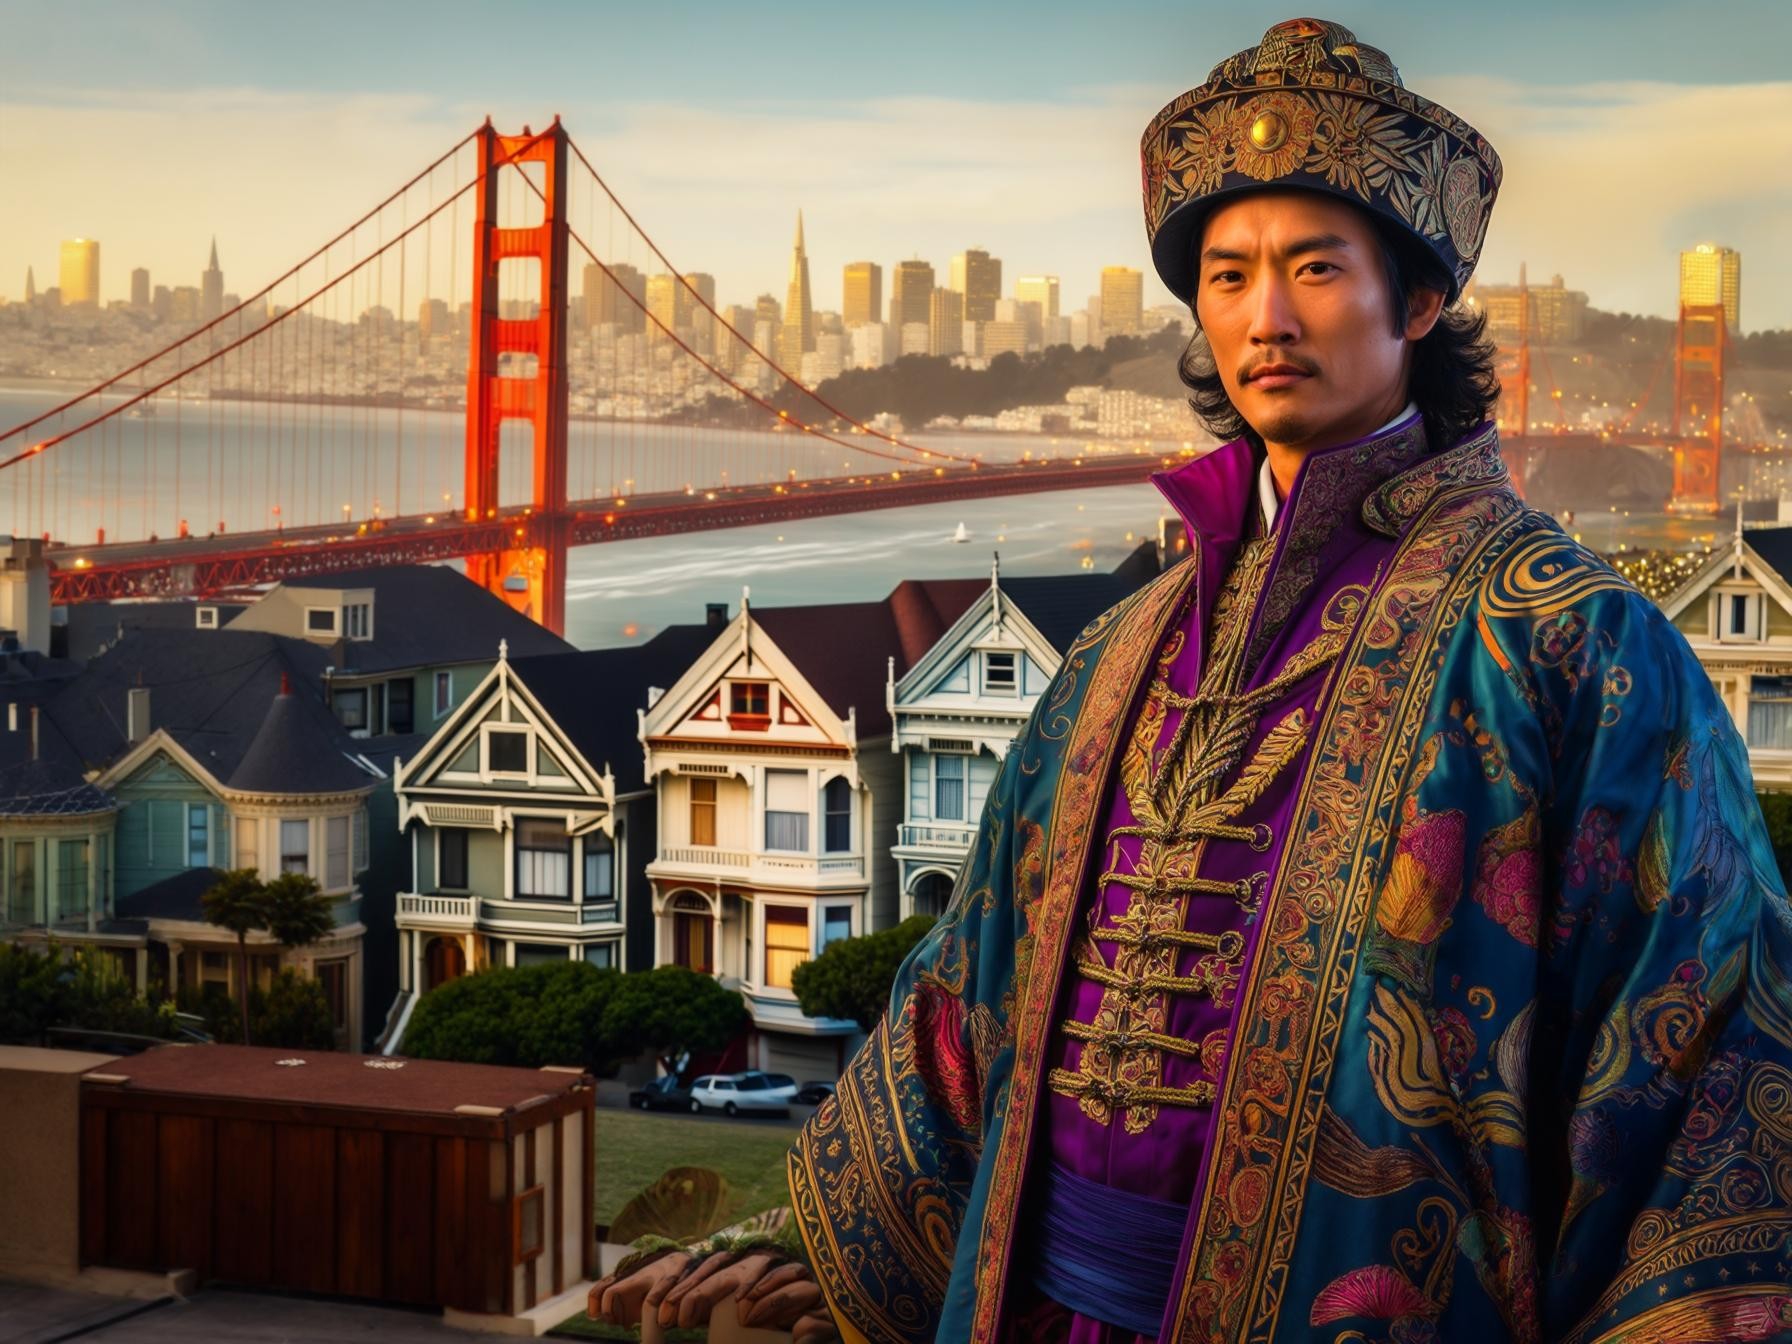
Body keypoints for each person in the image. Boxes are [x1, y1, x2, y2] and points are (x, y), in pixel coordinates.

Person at [592, 18, 1792, 1343]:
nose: (1265, 318)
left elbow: (1710, 1055)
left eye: (1318, 269)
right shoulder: (1123, 651)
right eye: (1227, 277)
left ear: (1426, 300)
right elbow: (969, 985)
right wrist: (819, 1247)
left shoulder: (1576, 649)